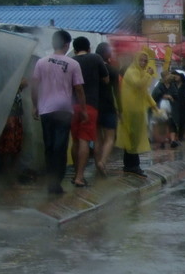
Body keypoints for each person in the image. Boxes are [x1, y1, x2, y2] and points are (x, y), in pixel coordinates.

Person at [31, 29, 86, 195]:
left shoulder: (41, 62)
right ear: (67, 44)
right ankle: (56, 182)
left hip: (45, 110)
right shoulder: (73, 64)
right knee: (60, 147)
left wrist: (35, 105)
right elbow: (79, 89)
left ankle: (51, 182)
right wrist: (83, 110)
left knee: (49, 146)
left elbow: (34, 86)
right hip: (63, 110)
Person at [70, 37, 109, 187]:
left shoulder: (72, 61)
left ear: (74, 49)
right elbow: (105, 79)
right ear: (89, 48)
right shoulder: (96, 58)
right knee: (84, 140)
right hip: (90, 105)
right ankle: (80, 177)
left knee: (74, 141)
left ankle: (75, 173)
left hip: (73, 105)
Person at [116, 49, 159, 177]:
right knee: (132, 138)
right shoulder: (132, 72)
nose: (143, 62)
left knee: (134, 138)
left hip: (137, 111)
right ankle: (132, 165)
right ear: (135, 60)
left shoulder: (140, 72)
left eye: (145, 60)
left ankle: (131, 165)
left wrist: (155, 107)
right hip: (130, 111)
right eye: (141, 60)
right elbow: (138, 85)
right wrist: (148, 75)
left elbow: (145, 93)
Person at [94, 42, 120, 177]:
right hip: (108, 106)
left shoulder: (92, 69)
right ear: (107, 54)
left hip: (94, 106)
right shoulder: (112, 70)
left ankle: (97, 163)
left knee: (97, 138)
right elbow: (117, 92)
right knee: (110, 138)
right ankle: (103, 162)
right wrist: (120, 108)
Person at [0, 78, 27, 182]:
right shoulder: (7, 85)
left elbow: (25, 83)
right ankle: (6, 172)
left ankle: (12, 171)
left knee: (16, 146)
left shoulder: (17, 87)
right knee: (7, 146)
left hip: (17, 116)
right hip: (9, 116)